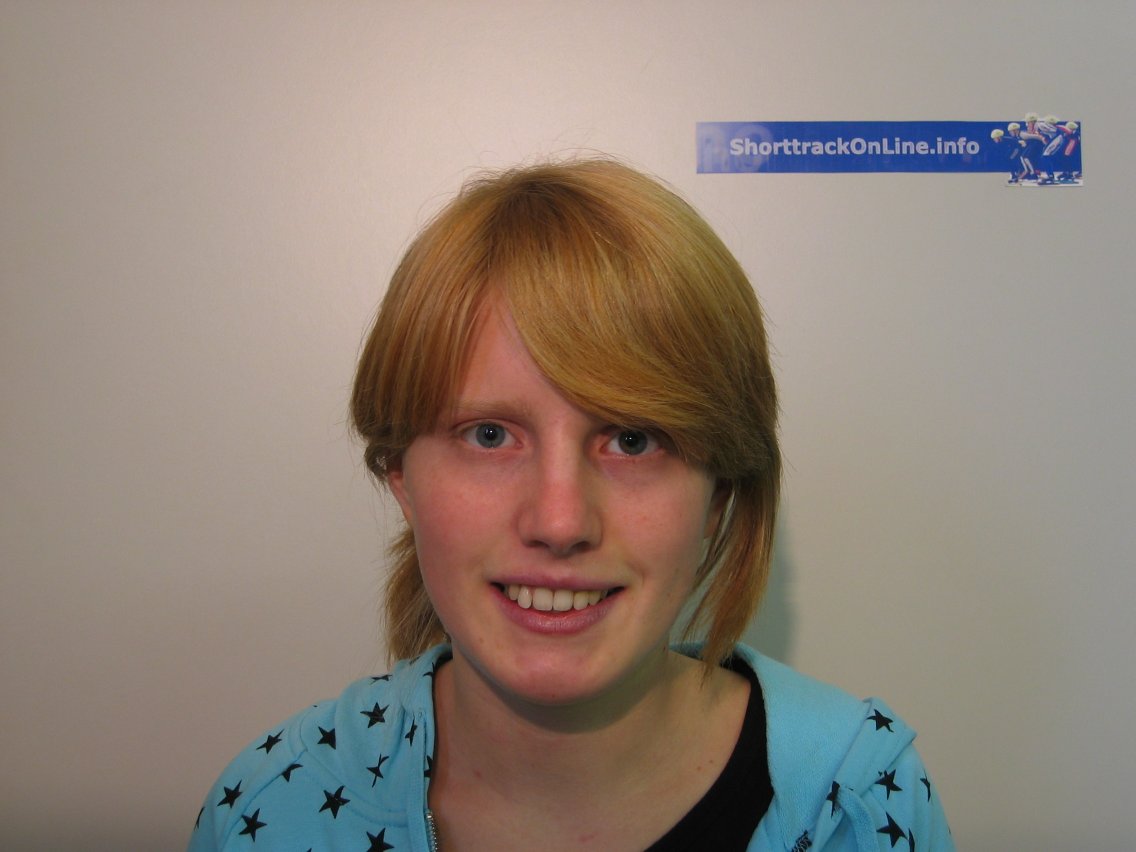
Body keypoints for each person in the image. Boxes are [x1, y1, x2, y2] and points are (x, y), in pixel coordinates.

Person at [189, 158, 953, 850]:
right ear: (399, 473)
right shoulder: (273, 811)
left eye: (632, 440)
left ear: (720, 492)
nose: (559, 522)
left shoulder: (855, 806)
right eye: (489, 435)